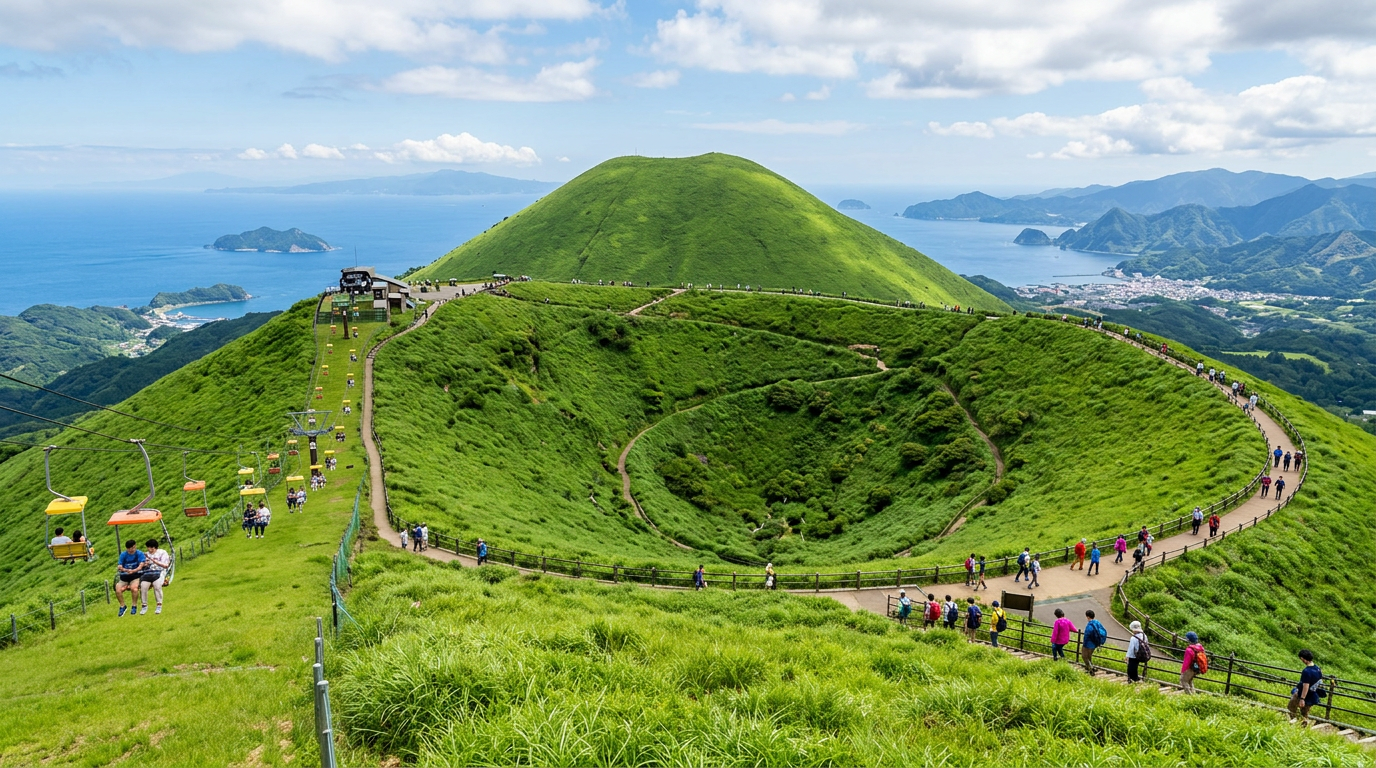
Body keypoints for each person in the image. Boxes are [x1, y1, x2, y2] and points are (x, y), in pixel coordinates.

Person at [1287, 649, 1324, 724]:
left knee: (1291, 706)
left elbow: (1305, 686)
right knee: (1305, 713)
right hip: (1312, 694)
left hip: (1303, 694)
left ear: (1303, 658)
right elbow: (1319, 682)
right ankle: (1302, 727)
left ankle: (1294, 721)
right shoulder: (1318, 669)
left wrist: (1302, 698)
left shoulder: (1307, 671)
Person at [115, 539, 146, 617]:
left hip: (135, 575)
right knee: (118, 589)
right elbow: (119, 566)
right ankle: (122, 606)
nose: (130, 550)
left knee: (134, 588)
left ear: (135, 546)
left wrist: (134, 570)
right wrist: (125, 570)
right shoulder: (123, 555)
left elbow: (141, 565)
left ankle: (134, 605)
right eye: (129, 549)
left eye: (132, 548)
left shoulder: (139, 553)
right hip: (125, 575)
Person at [139, 539, 171, 615]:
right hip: (148, 573)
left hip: (159, 572)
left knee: (157, 586)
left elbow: (165, 565)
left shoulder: (162, 553)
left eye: (149, 548)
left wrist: (152, 560)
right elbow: (142, 565)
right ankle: (144, 606)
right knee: (143, 587)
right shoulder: (146, 554)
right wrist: (145, 564)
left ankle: (159, 605)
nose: (148, 549)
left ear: (153, 548)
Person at [1082, 610, 1107, 674]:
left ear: (1087, 617)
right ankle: (1090, 666)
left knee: (1084, 656)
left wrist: (1084, 644)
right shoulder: (1097, 622)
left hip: (1088, 644)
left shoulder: (1089, 625)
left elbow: (1087, 635)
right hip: (1095, 644)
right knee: (1089, 656)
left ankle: (1091, 669)